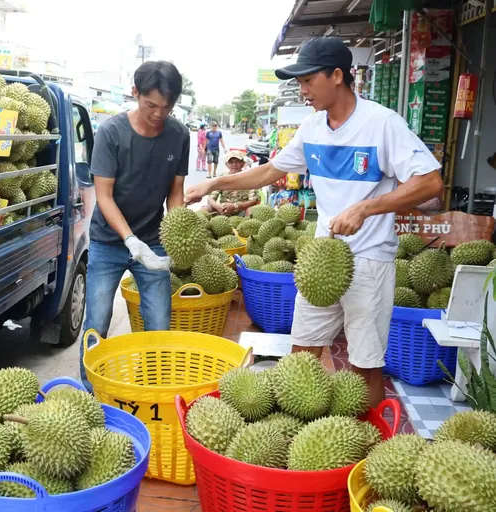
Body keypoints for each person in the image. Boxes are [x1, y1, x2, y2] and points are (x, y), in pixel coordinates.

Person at [184, 37, 444, 407]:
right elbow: (271, 171)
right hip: (321, 257)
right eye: (299, 82)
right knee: (302, 356)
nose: (302, 90)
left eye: (308, 80)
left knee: (365, 365)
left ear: (337, 75)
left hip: (369, 260)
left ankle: (363, 449)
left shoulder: (382, 124)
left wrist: (366, 209)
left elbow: (430, 182)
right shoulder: (312, 129)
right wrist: (215, 182)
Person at [81, 60, 189, 390]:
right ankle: (88, 391)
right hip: (108, 241)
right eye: (151, 104)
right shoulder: (112, 133)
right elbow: (104, 197)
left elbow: (176, 193)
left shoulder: (179, 135)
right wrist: (129, 240)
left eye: (166, 106)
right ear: (135, 94)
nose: (159, 113)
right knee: (97, 321)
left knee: (158, 323)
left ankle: (151, 390)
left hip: (153, 239)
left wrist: (178, 233)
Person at [203, 150, 259, 216]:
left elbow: (253, 201)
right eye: (231, 162)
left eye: (237, 161)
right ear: (226, 165)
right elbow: (210, 199)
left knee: (250, 210)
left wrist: (235, 206)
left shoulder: (248, 178)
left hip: (242, 211)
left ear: (243, 163)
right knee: (204, 209)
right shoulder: (222, 178)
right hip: (223, 210)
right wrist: (218, 207)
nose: (234, 165)